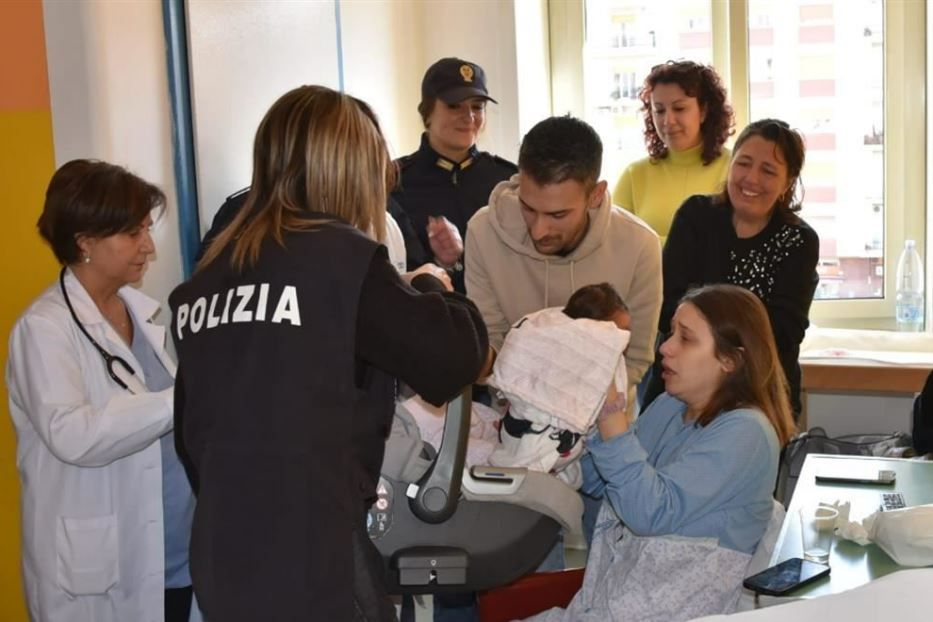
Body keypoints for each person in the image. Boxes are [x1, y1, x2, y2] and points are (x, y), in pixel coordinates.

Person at [169, 85, 489, 622]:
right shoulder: (342, 261)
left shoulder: (205, 282)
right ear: (351, 171)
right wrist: (432, 285)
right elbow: (456, 356)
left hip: (223, 549)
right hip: (309, 556)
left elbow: (191, 435)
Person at [525, 284, 797, 622]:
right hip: (614, 599)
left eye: (686, 338)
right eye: (670, 333)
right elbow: (601, 482)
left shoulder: (747, 433)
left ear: (730, 359)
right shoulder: (671, 405)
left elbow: (647, 513)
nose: (665, 348)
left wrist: (612, 414)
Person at [6, 160, 196, 622]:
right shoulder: (44, 328)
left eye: (147, 230)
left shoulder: (142, 317)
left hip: (173, 562)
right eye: (133, 233)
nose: (149, 247)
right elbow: (73, 434)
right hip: (102, 574)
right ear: (85, 241)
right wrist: (185, 398)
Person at [465, 115, 662, 408]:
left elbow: (635, 359)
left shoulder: (640, 245)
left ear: (595, 195)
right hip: (514, 421)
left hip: (604, 426)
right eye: (528, 208)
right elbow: (493, 338)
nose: (538, 230)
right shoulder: (482, 232)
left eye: (558, 215)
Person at [643, 119, 820, 418]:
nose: (750, 178)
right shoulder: (696, 216)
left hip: (757, 398)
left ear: (787, 182)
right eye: (744, 164)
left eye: (768, 171)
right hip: (678, 391)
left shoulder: (799, 241)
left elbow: (783, 332)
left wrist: (703, 338)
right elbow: (668, 307)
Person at [392, 57, 518, 291]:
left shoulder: (507, 180)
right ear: (427, 112)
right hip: (429, 317)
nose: (469, 117)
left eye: (477, 107)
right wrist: (441, 264)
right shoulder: (394, 181)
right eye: (454, 106)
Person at [489, 283, 631, 488]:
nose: (624, 342)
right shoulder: (549, 361)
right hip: (527, 451)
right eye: (616, 334)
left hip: (558, 466)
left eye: (626, 334)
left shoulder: (605, 377)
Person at [612, 60, 735, 244]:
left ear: (703, 111)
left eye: (679, 108)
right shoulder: (634, 175)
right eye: (659, 110)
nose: (668, 121)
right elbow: (616, 244)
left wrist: (650, 244)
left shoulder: (735, 169)